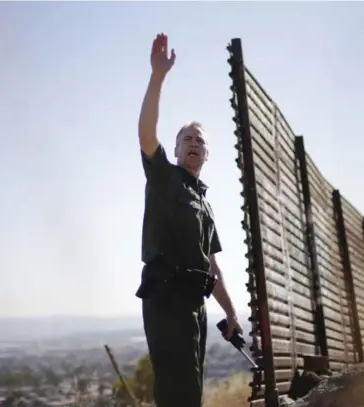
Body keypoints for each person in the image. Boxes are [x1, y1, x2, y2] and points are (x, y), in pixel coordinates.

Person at [135, 33, 243, 407]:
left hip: (195, 306)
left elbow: (212, 265)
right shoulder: (165, 179)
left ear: (207, 153)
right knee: (177, 393)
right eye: (186, 138)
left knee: (191, 392)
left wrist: (229, 313)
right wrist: (158, 77)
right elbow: (146, 135)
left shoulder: (205, 202)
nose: (194, 142)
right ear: (177, 148)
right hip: (166, 300)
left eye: (200, 139)